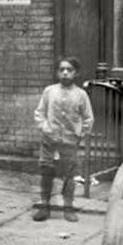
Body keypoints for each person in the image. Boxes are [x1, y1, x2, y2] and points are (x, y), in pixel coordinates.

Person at [32, 56, 94, 222]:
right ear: (57, 72)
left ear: (76, 73)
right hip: (49, 140)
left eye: (69, 70)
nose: (65, 73)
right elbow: (40, 113)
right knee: (47, 172)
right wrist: (45, 128)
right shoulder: (49, 91)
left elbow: (88, 118)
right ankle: (44, 206)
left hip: (69, 141)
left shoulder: (81, 95)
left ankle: (68, 207)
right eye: (62, 70)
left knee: (69, 174)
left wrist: (80, 133)